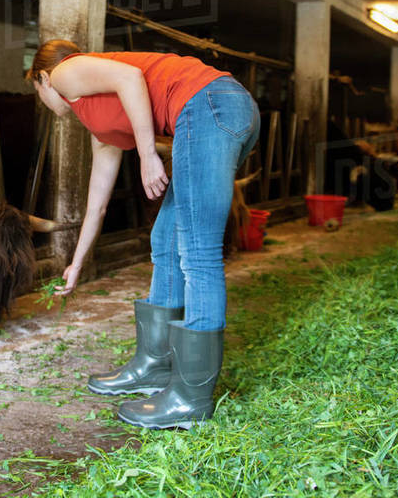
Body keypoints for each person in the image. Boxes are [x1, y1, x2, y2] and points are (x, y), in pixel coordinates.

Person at [26, 39, 259, 429]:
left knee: (197, 251)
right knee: (166, 241)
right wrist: (77, 263)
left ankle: (191, 398)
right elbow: (97, 204)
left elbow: (130, 76)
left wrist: (148, 154)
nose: (44, 100)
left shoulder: (67, 71)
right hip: (223, 108)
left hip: (208, 106)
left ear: (44, 78)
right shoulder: (101, 125)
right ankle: (155, 365)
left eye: (36, 90)